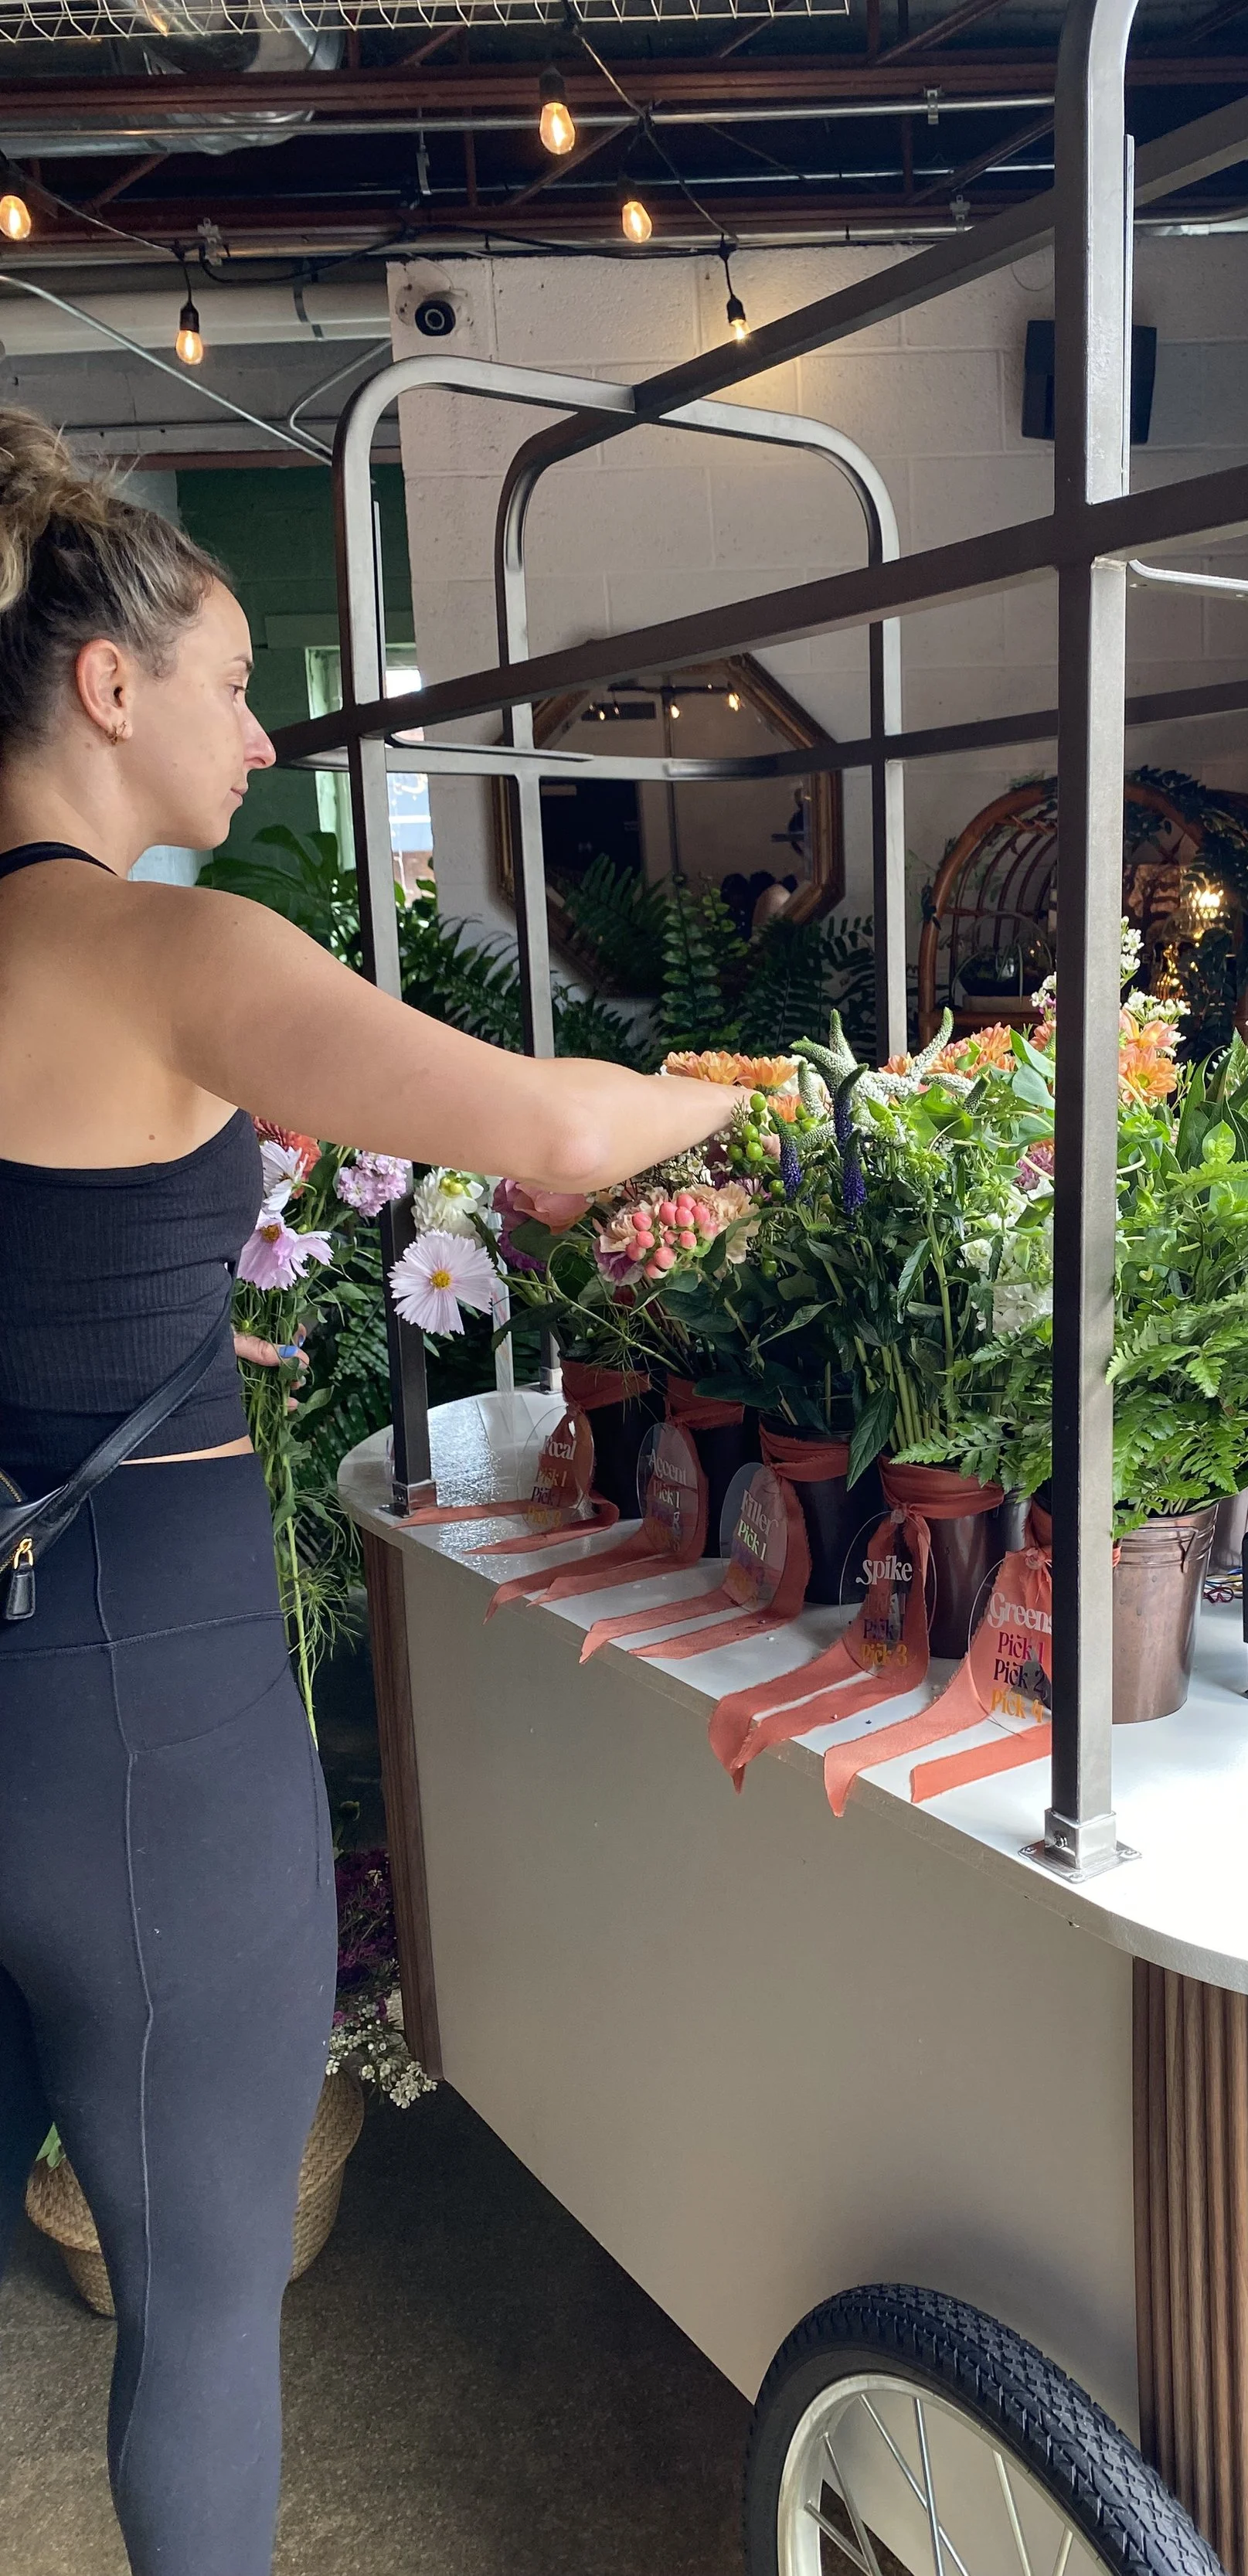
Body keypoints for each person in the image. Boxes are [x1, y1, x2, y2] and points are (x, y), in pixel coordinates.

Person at [0, 410, 744, 2576]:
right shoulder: (174, 952)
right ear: (108, 686)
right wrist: (736, 1085)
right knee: (205, 2302)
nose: (257, 738)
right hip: (141, 1691)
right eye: (231, 685)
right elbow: (555, 1137)